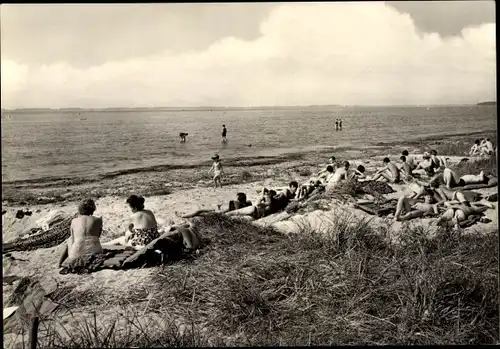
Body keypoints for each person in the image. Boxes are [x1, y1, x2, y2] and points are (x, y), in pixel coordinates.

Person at [58, 199, 103, 267]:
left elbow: (73, 239)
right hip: (95, 254)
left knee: (70, 239)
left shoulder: (74, 221)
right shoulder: (98, 220)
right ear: (93, 208)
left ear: (80, 209)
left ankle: (59, 263)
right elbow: (98, 236)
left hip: (76, 256)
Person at [180, 193, 252, 218]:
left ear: (238, 200)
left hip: (217, 210)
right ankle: (185, 214)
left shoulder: (235, 205)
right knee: (200, 210)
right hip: (220, 208)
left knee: (199, 210)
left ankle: (183, 216)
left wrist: (217, 208)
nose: (234, 199)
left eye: (236, 198)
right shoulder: (246, 204)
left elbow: (222, 212)